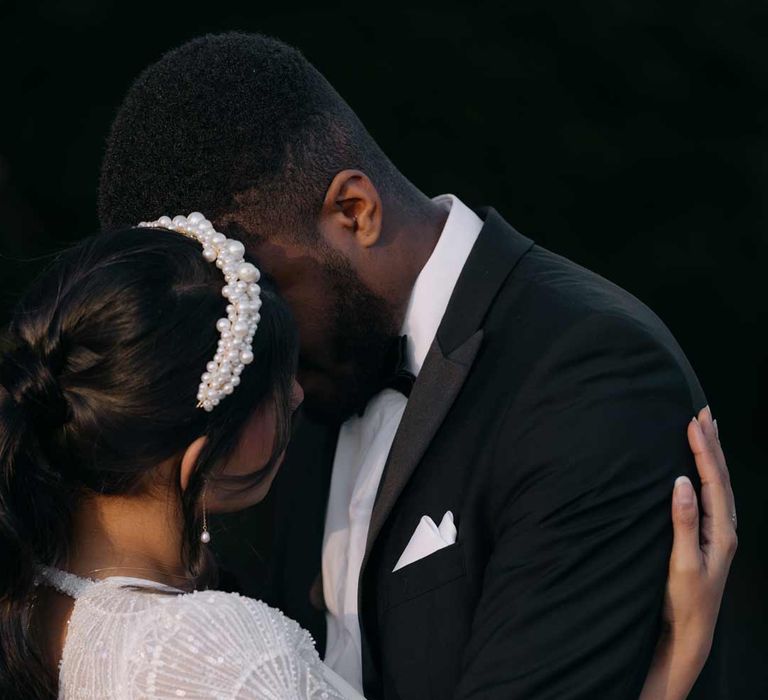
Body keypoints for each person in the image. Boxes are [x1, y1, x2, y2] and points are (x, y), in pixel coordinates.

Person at [95, 33, 736, 698]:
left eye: (259, 294)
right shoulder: (291, 401)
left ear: (355, 211)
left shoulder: (590, 376)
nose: (242, 348)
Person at [0, 214, 735, 700]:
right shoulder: (223, 657)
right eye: (269, 385)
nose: (296, 397)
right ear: (195, 460)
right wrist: (666, 674)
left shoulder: (41, 601)